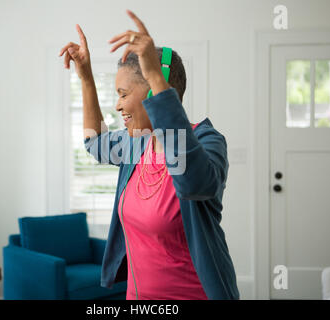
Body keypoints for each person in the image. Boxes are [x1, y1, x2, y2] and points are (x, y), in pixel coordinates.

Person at [59, 9, 239, 300]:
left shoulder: (206, 140)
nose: (117, 106)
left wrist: (156, 75)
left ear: (156, 91)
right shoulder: (137, 143)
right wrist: (86, 79)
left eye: (123, 94)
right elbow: (95, 142)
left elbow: (194, 183)